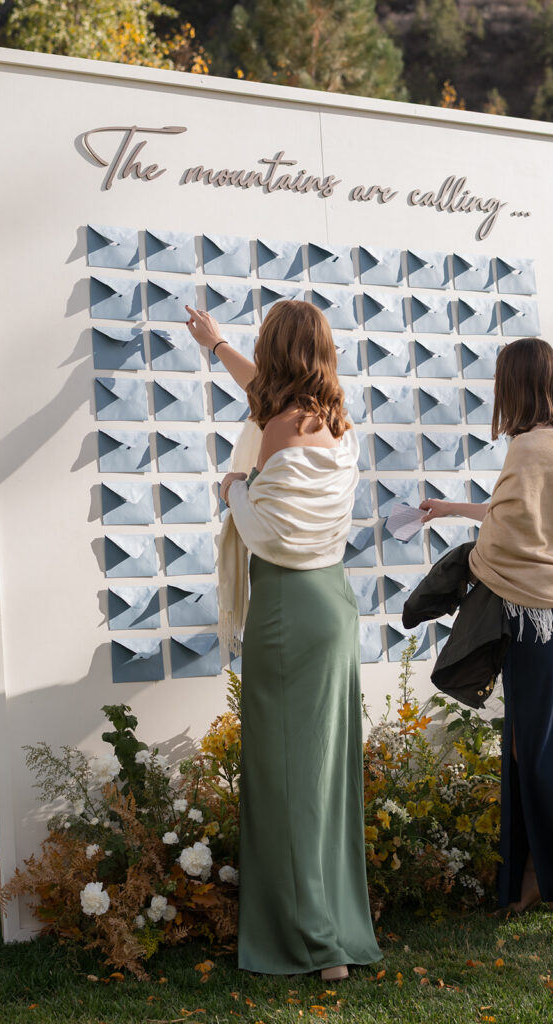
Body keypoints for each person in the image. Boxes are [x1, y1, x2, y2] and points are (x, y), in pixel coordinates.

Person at [185, 300, 381, 977]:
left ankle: (316, 943)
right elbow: (263, 393)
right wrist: (216, 345)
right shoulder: (336, 424)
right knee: (324, 776)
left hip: (286, 609)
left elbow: (264, 530)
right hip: (334, 606)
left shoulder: (273, 431)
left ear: (277, 354)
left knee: (286, 776)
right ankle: (332, 920)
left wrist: (233, 490)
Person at [419, 337, 553, 937]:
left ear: (515, 385)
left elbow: (510, 537)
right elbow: (524, 517)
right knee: (534, 749)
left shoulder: (529, 447)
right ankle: (538, 876)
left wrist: (465, 565)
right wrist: (456, 509)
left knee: (540, 754)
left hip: (537, 617)